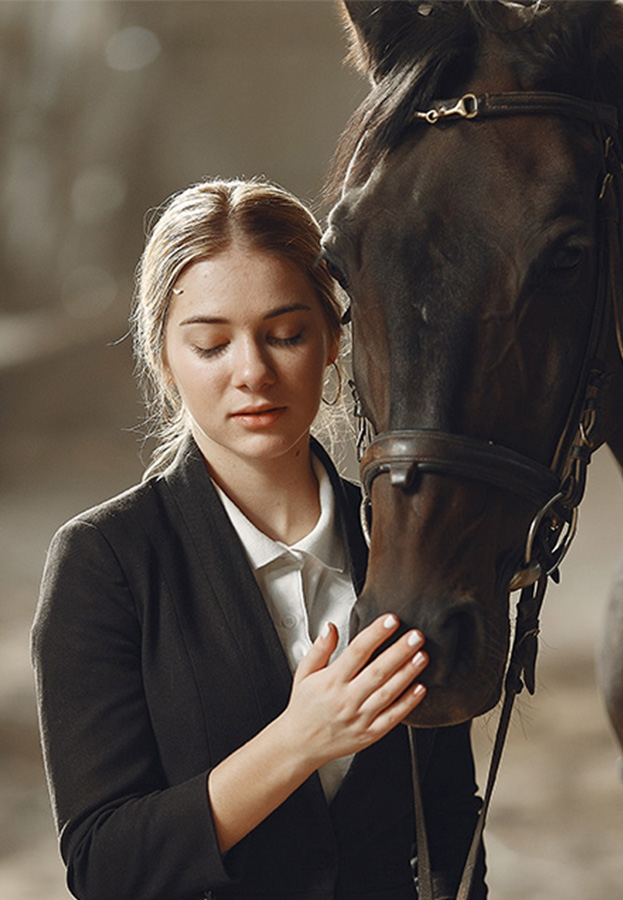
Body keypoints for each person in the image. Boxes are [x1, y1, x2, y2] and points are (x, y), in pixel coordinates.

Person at [32, 178, 487, 900]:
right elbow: (104, 866)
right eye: (212, 344)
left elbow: (453, 834)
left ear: (335, 339)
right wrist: (298, 740)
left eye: (285, 335)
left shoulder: (401, 550)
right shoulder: (105, 563)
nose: (253, 372)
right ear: (163, 358)